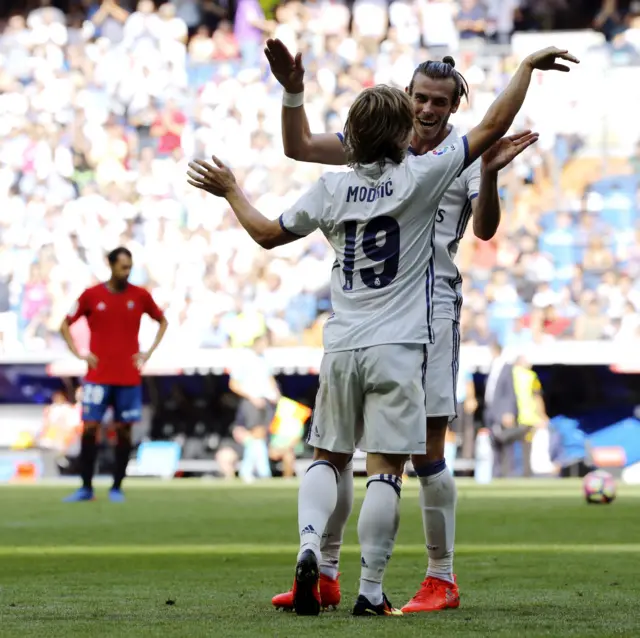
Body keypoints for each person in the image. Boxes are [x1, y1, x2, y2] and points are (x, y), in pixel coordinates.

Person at [187, 47, 576, 617]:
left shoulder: (356, 176)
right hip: (400, 333)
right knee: (385, 465)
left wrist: (234, 187)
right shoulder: (419, 165)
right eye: (419, 98)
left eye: (439, 103)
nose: (426, 109)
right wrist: (525, 71)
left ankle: (413, 571)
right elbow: (495, 123)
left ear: (451, 108)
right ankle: (355, 582)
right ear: (403, 110)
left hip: (391, 324)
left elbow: (272, 230)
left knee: (357, 453)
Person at [60, 247, 169, 502]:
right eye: (122, 267)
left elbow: (162, 321)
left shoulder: (140, 295)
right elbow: (64, 324)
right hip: (97, 376)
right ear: (110, 265)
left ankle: (117, 487)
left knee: (124, 431)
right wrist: (79, 354)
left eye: (129, 267)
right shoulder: (91, 295)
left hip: (128, 376)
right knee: (90, 428)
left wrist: (148, 352)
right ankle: (86, 487)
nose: (126, 271)